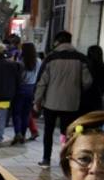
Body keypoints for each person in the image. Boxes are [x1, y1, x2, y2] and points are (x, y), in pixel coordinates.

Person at [33, 31, 92, 166]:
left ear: (57, 42)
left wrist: (37, 101)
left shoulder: (50, 58)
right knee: (68, 132)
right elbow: (87, 81)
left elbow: (42, 82)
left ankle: (46, 159)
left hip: (51, 103)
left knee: (48, 131)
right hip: (71, 103)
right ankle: (66, 158)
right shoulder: (80, 58)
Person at [10, 43, 40, 146]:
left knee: (16, 113)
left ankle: (18, 133)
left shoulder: (20, 63)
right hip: (32, 89)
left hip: (20, 89)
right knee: (26, 114)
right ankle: (22, 134)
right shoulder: (38, 61)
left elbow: (17, 77)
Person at [81, 45, 104, 115]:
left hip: (84, 98)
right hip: (97, 98)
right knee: (94, 120)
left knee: (82, 121)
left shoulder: (86, 66)